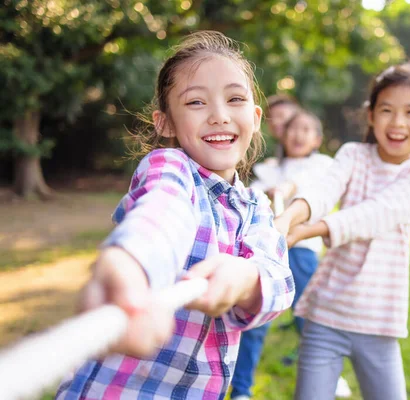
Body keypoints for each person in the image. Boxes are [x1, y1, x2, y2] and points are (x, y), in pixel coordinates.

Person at [55, 31, 294, 400]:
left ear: (255, 116)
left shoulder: (258, 208)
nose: (219, 115)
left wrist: (245, 277)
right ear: (165, 122)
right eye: (196, 102)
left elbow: (278, 281)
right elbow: (162, 213)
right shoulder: (170, 168)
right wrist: (130, 264)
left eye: (235, 99)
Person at [276, 62, 410, 400]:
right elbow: (324, 190)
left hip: (379, 321)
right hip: (326, 314)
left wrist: (306, 231)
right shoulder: (352, 155)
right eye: (387, 110)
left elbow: (375, 214)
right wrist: (288, 218)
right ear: (371, 115)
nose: (398, 122)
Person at [230, 109, 333, 400]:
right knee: (255, 316)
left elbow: (315, 189)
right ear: (283, 135)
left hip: (300, 249)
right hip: (265, 251)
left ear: (317, 139)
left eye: (306, 129)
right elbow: (251, 196)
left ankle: (327, 373)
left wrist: (289, 188)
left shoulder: (322, 165)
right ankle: (241, 389)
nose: (298, 135)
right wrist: (267, 190)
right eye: (292, 129)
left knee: (308, 316)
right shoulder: (268, 169)